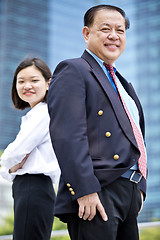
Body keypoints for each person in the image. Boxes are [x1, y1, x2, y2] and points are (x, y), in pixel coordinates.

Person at [47, 4, 147, 240]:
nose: (114, 35)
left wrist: (140, 189)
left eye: (120, 30)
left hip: (129, 192)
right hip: (97, 191)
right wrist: (85, 190)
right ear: (86, 33)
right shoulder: (73, 69)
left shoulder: (124, 84)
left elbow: (137, 137)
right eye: (105, 29)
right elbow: (68, 135)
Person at [0, 58, 60, 240]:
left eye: (34, 80)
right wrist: (11, 166)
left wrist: (5, 165)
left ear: (49, 83)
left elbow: (16, 151)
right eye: (21, 81)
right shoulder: (37, 114)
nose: (27, 86)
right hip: (34, 189)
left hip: (33, 187)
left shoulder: (42, 113)